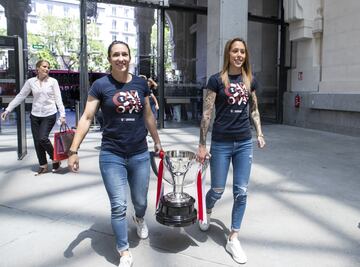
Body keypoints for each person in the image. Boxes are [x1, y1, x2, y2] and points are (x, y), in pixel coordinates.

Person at [67, 40, 162, 267]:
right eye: (116, 55)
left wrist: (157, 142)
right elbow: (87, 118)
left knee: (140, 201)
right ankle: (124, 250)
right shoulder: (100, 85)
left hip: (139, 152)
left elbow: (148, 115)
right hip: (112, 154)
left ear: (130, 57)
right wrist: (73, 150)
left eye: (125, 54)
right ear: (109, 59)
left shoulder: (140, 84)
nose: (121, 58)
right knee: (118, 205)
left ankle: (139, 218)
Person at [196, 37, 266, 264]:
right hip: (222, 142)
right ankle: (206, 209)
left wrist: (260, 133)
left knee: (241, 191)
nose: (238, 55)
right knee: (217, 188)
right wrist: (202, 144)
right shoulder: (217, 80)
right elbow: (207, 113)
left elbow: (254, 110)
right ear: (228, 53)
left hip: (244, 141)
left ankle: (233, 237)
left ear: (246, 55)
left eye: (242, 52)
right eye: (235, 51)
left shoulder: (250, 80)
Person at [1, 59, 66, 175]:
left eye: (48, 67)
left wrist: (62, 115)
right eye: (44, 67)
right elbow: (21, 96)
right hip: (35, 115)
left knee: (42, 138)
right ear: (38, 68)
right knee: (37, 142)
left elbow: (58, 99)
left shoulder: (53, 82)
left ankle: (55, 158)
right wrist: (8, 109)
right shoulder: (31, 82)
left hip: (49, 114)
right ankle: (43, 165)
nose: (47, 69)